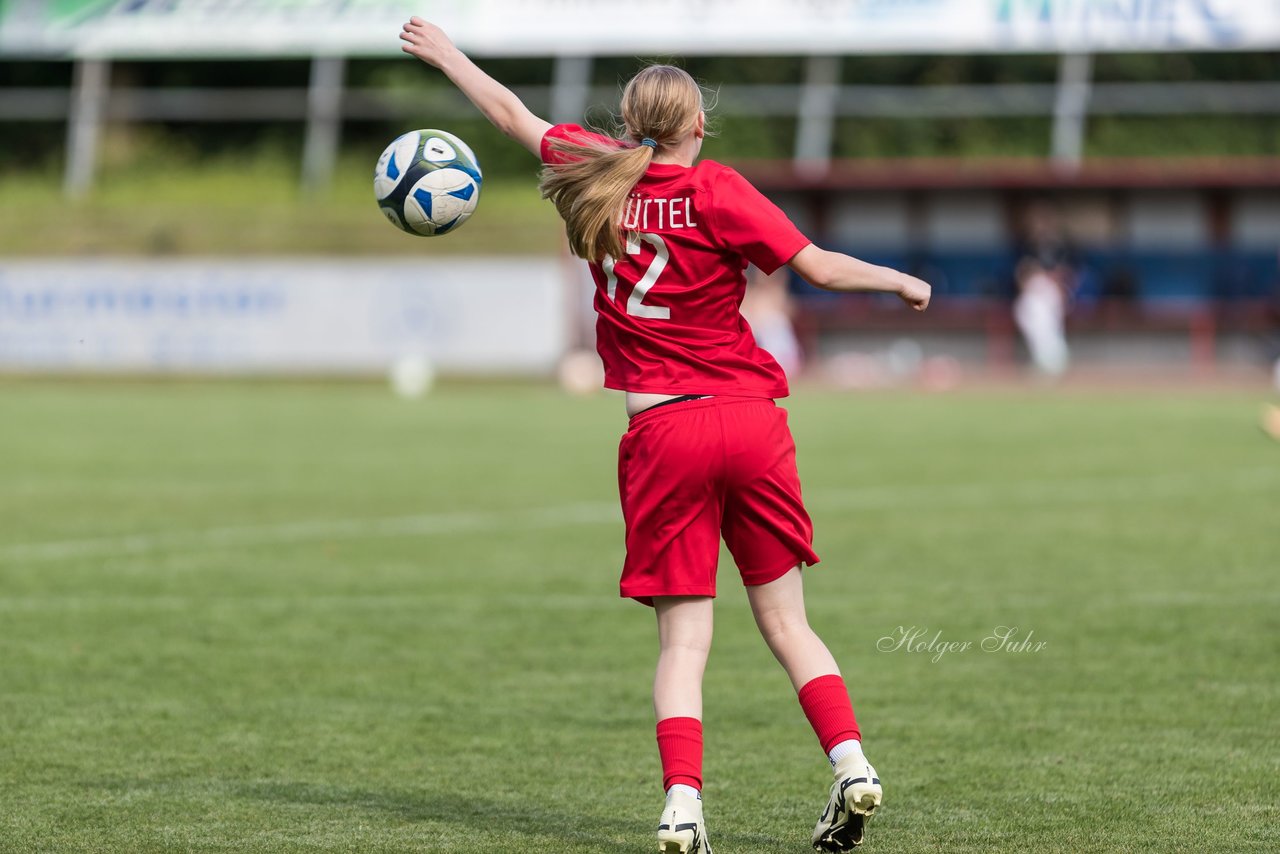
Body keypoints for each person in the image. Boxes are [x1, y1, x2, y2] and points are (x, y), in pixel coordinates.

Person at [400, 18, 931, 852]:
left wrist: (446, 54)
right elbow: (821, 268)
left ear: (628, 121)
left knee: (685, 640)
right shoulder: (719, 189)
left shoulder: (595, 172)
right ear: (698, 124)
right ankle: (853, 763)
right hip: (752, 423)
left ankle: (683, 805)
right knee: (789, 625)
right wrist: (899, 280)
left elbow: (509, 114)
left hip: (663, 431)